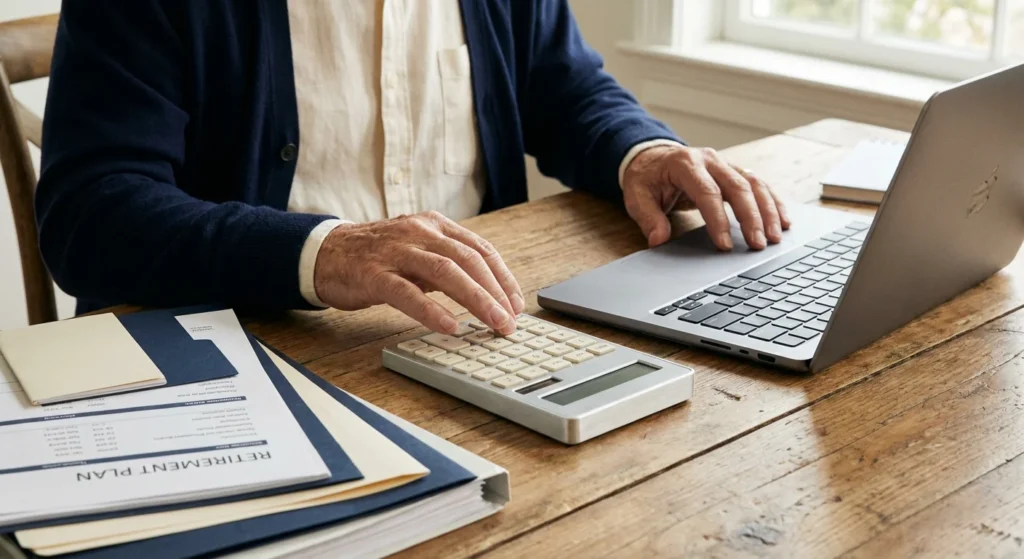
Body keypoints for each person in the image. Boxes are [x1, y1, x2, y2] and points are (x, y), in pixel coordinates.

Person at [36, 0, 790, 336]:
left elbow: (566, 87)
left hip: (476, 340)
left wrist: (641, 151)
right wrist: (322, 252)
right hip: (244, 360)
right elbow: (92, 214)